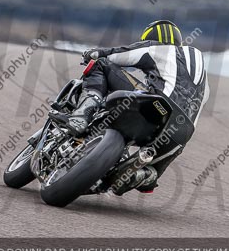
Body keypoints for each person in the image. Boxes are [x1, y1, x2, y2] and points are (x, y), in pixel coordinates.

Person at [67, 20, 209, 194]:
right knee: (151, 173)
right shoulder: (201, 73)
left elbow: (119, 55)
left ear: (152, 38)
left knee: (100, 64)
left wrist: (93, 53)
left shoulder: (158, 48)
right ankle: (142, 175)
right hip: (181, 133)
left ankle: (83, 113)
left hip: (155, 107)